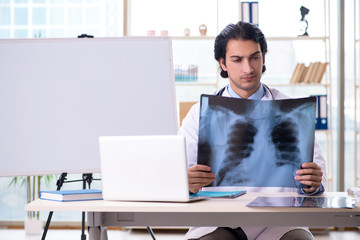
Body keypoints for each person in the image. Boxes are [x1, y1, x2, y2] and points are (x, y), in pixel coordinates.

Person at [179, 21, 326, 240]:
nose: (248, 69)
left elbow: (315, 177)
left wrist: (313, 184)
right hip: (218, 219)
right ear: (223, 63)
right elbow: (179, 175)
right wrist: (185, 181)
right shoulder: (199, 113)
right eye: (237, 60)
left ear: (263, 58)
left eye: (254, 57)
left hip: (281, 222)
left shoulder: (292, 110)